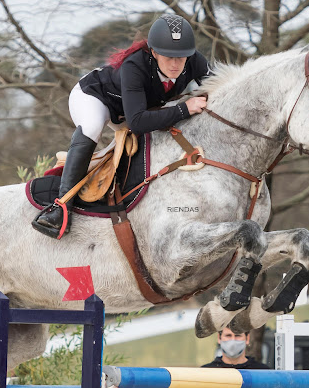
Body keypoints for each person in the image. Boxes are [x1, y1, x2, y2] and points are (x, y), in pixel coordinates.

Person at [33, 13, 210, 236]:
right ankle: (61, 207)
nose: (175, 64)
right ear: (154, 52)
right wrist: (184, 108)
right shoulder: (134, 66)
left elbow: (218, 89)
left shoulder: (194, 60)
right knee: (92, 128)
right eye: (168, 57)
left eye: (181, 57)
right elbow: (136, 122)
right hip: (95, 98)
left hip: (134, 109)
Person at [177, 327, 276, 388]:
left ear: (247, 338)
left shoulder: (262, 372)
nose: (232, 341)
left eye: (237, 335)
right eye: (228, 335)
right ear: (219, 338)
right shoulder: (205, 373)